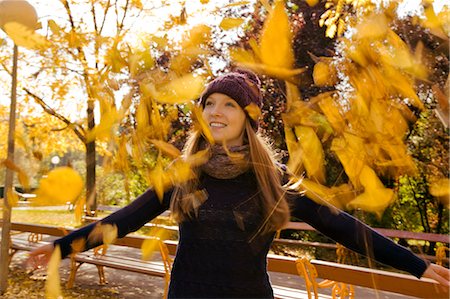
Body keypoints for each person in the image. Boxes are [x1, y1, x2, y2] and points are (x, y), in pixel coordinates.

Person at [29, 69, 449, 298]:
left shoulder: (274, 182)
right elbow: (124, 220)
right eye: (208, 103)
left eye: (228, 104)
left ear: (249, 117)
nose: (215, 111)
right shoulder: (184, 174)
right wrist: (62, 247)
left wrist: (419, 265)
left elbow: (345, 228)